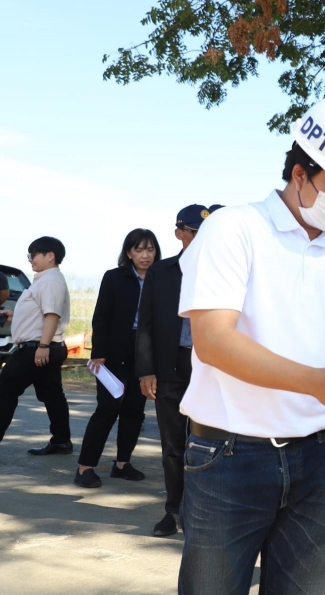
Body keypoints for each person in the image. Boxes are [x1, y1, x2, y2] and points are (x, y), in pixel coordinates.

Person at [175, 96, 325, 594]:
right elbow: (214, 340)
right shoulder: (234, 229)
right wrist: (315, 383)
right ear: (300, 173)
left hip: (319, 458)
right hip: (229, 457)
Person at [135, 205, 210, 536]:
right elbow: (146, 324)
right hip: (171, 366)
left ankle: (202, 510)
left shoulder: (224, 268)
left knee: (209, 444)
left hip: (211, 368)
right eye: (193, 232)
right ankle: (173, 509)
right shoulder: (161, 272)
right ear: (179, 233)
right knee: (173, 444)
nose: (200, 238)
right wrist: (146, 370)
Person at [75, 229, 161, 488]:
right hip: (114, 353)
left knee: (135, 410)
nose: (145, 255)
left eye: (150, 250)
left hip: (145, 354)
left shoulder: (161, 278)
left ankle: (122, 464)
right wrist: (98, 352)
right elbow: (101, 315)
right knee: (107, 408)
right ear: (129, 253)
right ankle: (85, 467)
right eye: (139, 250)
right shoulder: (114, 277)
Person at [0, 237, 72, 454]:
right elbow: (41, 314)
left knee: (5, 389)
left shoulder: (50, 280)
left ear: (50, 256)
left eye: (33, 255)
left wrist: (42, 346)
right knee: (52, 394)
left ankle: (61, 440)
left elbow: (52, 315)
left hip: (37, 349)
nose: (30, 259)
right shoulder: (46, 279)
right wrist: (14, 315)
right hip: (46, 347)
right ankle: (61, 441)